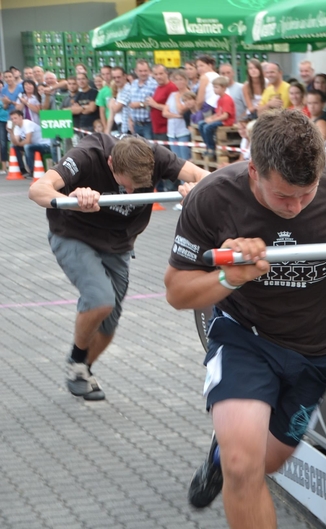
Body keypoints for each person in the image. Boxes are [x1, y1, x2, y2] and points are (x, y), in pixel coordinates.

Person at [162, 110, 326, 527]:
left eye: (307, 195)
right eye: (283, 196)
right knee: (244, 467)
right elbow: (177, 292)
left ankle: (220, 454)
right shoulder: (214, 197)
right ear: (254, 170)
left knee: (267, 463)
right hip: (246, 339)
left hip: (316, 350)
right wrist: (229, 277)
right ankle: (230, 455)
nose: (295, 207)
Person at [28, 134, 209, 400]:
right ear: (111, 163)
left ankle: (83, 369)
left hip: (118, 243)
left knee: (108, 325)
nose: (131, 193)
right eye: (126, 185)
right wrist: (72, 198)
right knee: (100, 299)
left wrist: (195, 188)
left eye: (139, 187)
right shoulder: (88, 155)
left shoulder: (156, 156)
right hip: (74, 234)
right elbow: (38, 189)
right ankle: (76, 361)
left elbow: (205, 176)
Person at [115, 60, 157, 138]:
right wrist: (130, 119)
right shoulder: (134, 84)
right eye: (140, 71)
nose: (143, 73)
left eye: (145, 71)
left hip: (148, 125)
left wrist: (140, 104)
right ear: (136, 71)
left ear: (149, 71)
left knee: (148, 145)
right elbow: (131, 104)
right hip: (135, 125)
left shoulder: (154, 84)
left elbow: (156, 103)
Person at [198, 76, 235, 160]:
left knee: (207, 127)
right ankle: (208, 146)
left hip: (226, 121)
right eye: (214, 87)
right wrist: (210, 118)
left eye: (216, 87)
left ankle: (211, 148)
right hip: (220, 119)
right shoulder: (219, 99)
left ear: (224, 88)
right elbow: (218, 113)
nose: (214, 89)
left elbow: (225, 116)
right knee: (201, 124)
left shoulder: (226, 99)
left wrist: (212, 120)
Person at [163, 69, 194, 160]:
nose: (179, 82)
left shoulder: (189, 94)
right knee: (175, 158)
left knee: (185, 158)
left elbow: (180, 110)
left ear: (186, 80)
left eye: (181, 79)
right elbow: (165, 113)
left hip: (183, 131)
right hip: (172, 132)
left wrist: (177, 99)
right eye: (176, 79)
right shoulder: (172, 94)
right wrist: (177, 116)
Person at [9, 109, 50, 175]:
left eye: (15, 118)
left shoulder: (27, 123)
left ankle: (32, 171)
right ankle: (22, 169)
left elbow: (28, 141)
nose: (14, 120)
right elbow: (15, 143)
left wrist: (18, 144)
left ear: (21, 117)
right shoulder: (17, 127)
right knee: (13, 146)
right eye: (12, 119)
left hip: (45, 145)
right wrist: (11, 132)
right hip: (33, 145)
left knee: (27, 147)